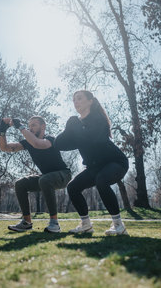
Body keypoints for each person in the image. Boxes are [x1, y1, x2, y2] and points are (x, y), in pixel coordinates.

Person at [54, 90, 129, 235]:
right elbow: (59, 144)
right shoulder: (77, 127)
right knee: (73, 187)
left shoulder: (98, 119)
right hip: (95, 167)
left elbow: (93, 138)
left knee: (102, 180)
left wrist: (75, 125)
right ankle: (86, 224)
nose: (76, 102)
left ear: (90, 101)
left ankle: (119, 225)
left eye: (79, 98)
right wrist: (69, 126)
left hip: (115, 162)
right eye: (74, 100)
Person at [0, 116, 72, 233]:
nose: (30, 128)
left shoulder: (50, 139)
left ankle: (54, 223)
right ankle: (26, 222)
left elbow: (37, 143)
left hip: (63, 175)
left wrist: (20, 127)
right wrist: (2, 131)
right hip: (46, 177)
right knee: (20, 184)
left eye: (34, 125)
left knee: (45, 179)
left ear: (43, 126)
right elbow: (4, 148)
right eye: (29, 126)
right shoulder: (27, 143)